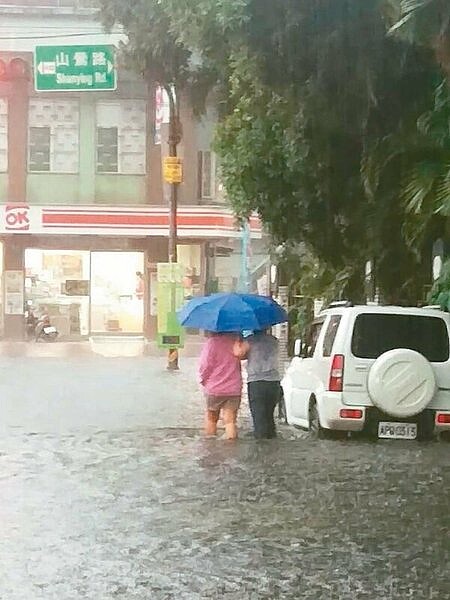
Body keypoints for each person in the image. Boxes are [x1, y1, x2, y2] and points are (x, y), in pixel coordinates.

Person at [198, 332, 243, 440]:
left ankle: (210, 445)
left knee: (211, 419)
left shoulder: (212, 343)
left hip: (214, 388)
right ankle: (231, 449)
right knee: (230, 421)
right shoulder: (236, 342)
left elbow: (205, 365)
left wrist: (203, 379)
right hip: (233, 388)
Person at [239, 330, 280, 439]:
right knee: (269, 417)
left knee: (259, 418)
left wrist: (239, 338)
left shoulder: (250, 340)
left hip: (256, 383)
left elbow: (239, 354)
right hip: (274, 382)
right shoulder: (274, 341)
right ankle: (272, 444)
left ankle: (261, 448)